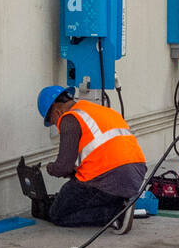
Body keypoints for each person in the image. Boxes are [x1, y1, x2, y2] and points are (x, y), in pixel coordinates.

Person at [34, 85, 146, 230]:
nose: (56, 125)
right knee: (78, 186)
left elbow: (63, 167)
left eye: (53, 121)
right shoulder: (99, 110)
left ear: (57, 110)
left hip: (110, 177)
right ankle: (120, 204)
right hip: (135, 175)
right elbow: (100, 151)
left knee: (58, 213)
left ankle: (116, 214)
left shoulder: (69, 118)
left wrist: (50, 168)